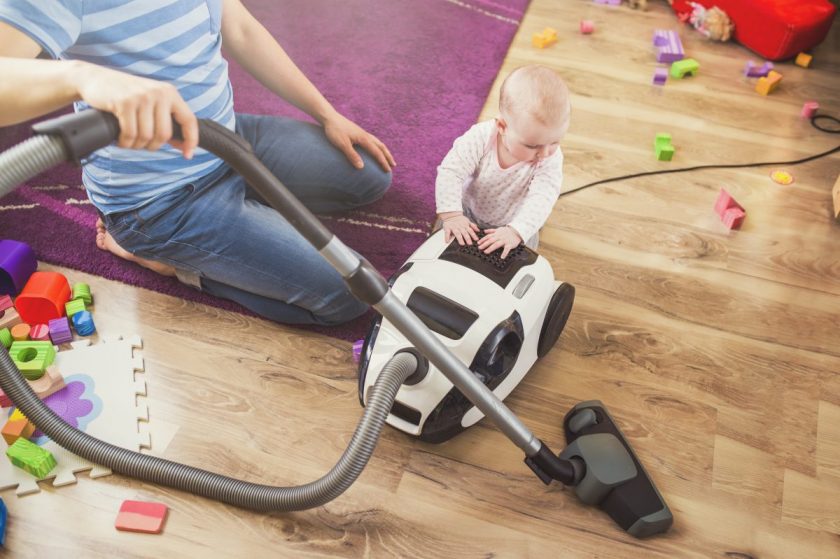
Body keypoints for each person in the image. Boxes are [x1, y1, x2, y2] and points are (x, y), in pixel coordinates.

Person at [0, 0, 395, 326]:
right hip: (163, 201)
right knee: (347, 295)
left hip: (227, 138)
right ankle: (172, 265)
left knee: (368, 173)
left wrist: (327, 115)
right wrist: (79, 76)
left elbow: (239, 27)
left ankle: (238, 231)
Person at [435, 65, 570, 259]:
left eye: (555, 141)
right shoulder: (480, 137)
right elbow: (451, 172)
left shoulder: (549, 157)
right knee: (442, 241)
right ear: (502, 126)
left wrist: (517, 230)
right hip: (467, 210)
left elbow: (543, 196)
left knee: (522, 254)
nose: (545, 152)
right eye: (532, 146)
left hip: (513, 221)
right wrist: (452, 215)